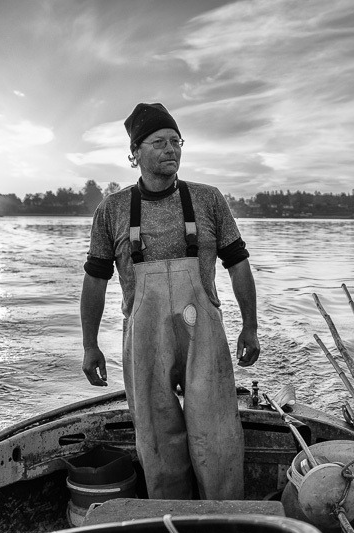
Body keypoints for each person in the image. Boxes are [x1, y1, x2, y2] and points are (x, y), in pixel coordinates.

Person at [80, 102, 260, 501]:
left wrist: (250, 325)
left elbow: (238, 264)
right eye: (159, 142)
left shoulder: (209, 200)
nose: (170, 149)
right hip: (145, 337)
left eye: (176, 141)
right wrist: (90, 345)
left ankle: (225, 515)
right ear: (135, 154)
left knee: (216, 431)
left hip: (204, 333)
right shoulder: (111, 210)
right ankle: (170, 517)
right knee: (156, 434)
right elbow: (95, 281)